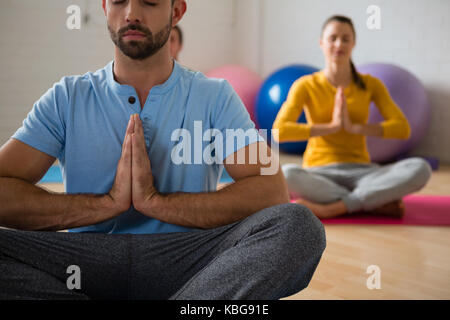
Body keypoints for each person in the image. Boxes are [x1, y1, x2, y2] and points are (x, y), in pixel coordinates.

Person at [0, 0, 326, 300]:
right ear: (104, 7)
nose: (131, 13)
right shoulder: (67, 97)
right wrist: (105, 205)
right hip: (86, 261)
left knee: (297, 226)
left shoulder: (214, 96)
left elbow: (271, 190)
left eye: (149, 1)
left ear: (177, 11)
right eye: (118, 1)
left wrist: (157, 204)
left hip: (189, 263)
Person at [272, 15, 432, 219]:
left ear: (353, 44)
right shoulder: (306, 85)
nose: (339, 43)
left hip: (363, 173)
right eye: (333, 38)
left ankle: (335, 208)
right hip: (319, 172)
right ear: (322, 43)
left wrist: (356, 128)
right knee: (287, 174)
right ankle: (371, 203)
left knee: (420, 168)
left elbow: (402, 128)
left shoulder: (371, 84)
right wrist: (332, 126)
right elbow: (279, 132)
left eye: (345, 38)